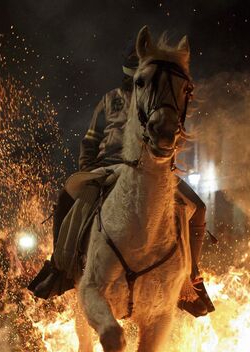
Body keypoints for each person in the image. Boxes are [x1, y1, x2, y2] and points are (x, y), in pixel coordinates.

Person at [30, 44, 213, 316]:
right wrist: (89, 170)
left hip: (151, 171)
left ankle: (190, 276)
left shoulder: (158, 97)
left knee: (197, 207)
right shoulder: (109, 100)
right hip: (107, 168)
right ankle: (60, 266)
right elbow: (91, 139)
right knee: (68, 196)